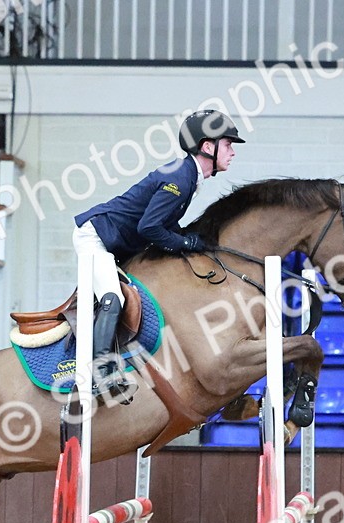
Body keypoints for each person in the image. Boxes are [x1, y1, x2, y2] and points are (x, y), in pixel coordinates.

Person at [72, 109, 245, 401]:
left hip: (119, 242)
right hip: (96, 238)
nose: (232, 152)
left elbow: (162, 224)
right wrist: (187, 244)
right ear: (207, 146)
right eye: (228, 144)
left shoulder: (189, 176)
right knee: (113, 298)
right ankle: (97, 373)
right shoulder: (181, 176)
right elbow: (150, 226)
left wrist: (189, 239)